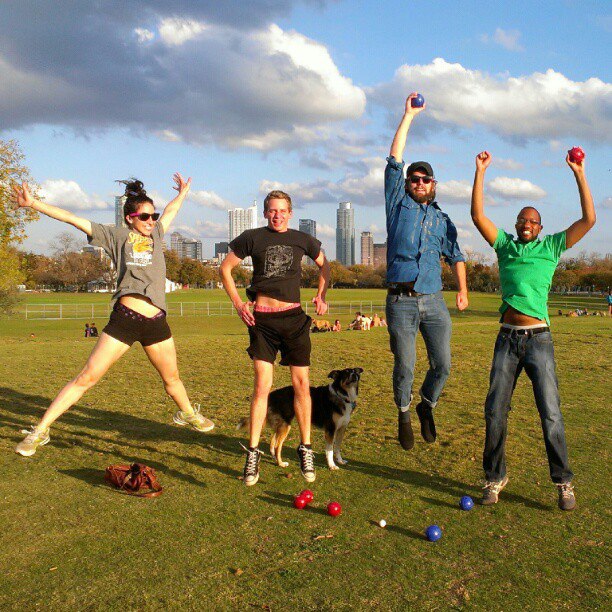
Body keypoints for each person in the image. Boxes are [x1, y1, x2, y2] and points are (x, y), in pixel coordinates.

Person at [13, 174, 214, 457]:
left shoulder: (157, 233)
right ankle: (39, 431)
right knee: (86, 378)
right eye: (144, 216)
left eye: (152, 215)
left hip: (156, 323)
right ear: (130, 218)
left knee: (172, 381)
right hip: (126, 320)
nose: (150, 221)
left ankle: (188, 414)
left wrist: (182, 194)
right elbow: (73, 218)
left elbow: (171, 210)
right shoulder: (115, 235)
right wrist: (33, 203)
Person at [471, 150, 595, 510]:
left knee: (551, 412)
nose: (526, 223)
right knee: (495, 411)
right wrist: (480, 172)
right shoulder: (506, 247)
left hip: (539, 339)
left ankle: (563, 482)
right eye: (522, 219)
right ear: (516, 225)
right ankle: (495, 478)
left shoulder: (552, 246)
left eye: (533, 221)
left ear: (540, 228)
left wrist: (580, 173)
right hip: (506, 338)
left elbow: (589, 218)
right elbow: (478, 216)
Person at [220, 190, 330, 486]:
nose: (277, 215)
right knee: (262, 387)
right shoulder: (252, 237)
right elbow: (225, 268)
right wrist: (238, 303)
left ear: (290, 213)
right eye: (271, 210)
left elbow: (325, 265)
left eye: (282, 210)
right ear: (266, 213)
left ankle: (305, 448)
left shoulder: (302, 239)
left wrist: (321, 294)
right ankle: (253, 454)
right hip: (262, 321)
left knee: (302, 385)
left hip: (294, 320)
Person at [385, 93, 468, 451]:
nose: (419, 182)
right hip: (401, 301)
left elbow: (457, 256)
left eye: (425, 179)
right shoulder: (397, 205)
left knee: (443, 365)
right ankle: (403, 412)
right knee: (405, 364)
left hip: (434, 302)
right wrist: (408, 117)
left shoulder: (443, 220)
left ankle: (426, 404)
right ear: (407, 184)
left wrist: (463, 290)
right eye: (414, 178)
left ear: (434, 185)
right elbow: (394, 161)